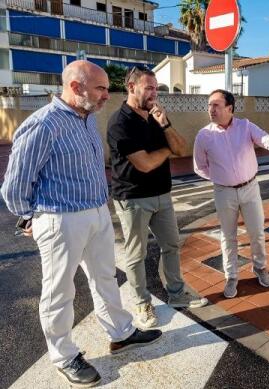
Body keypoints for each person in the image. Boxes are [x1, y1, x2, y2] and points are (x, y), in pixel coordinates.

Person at [1, 60, 161, 387]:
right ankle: (63, 356)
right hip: (61, 220)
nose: (106, 95)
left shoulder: (88, 118)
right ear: (76, 87)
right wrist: (30, 216)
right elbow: (14, 186)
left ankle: (121, 333)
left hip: (96, 213)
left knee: (105, 277)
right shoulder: (43, 125)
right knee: (60, 291)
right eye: (100, 88)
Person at [107, 66, 208, 328]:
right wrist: (167, 150)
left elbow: (181, 148)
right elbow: (145, 164)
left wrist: (165, 123)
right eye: (148, 88)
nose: (154, 93)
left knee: (172, 245)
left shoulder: (156, 117)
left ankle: (176, 294)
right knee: (136, 254)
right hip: (133, 198)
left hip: (162, 194)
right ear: (131, 87)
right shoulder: (120, 122)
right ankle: (142, 304)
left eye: (155, 88)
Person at [193, 89, 269, 298]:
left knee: (257, 232)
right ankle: (231, 276)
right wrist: (220, 178)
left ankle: (259, 267)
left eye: (216, 105)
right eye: (209, 105)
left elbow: (268, 140)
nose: (210, 109)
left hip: (250, 189)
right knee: (228, 236)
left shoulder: (245, 126)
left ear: (229, 108)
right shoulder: (204, 135)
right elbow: (199, 166)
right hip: (224, 192)